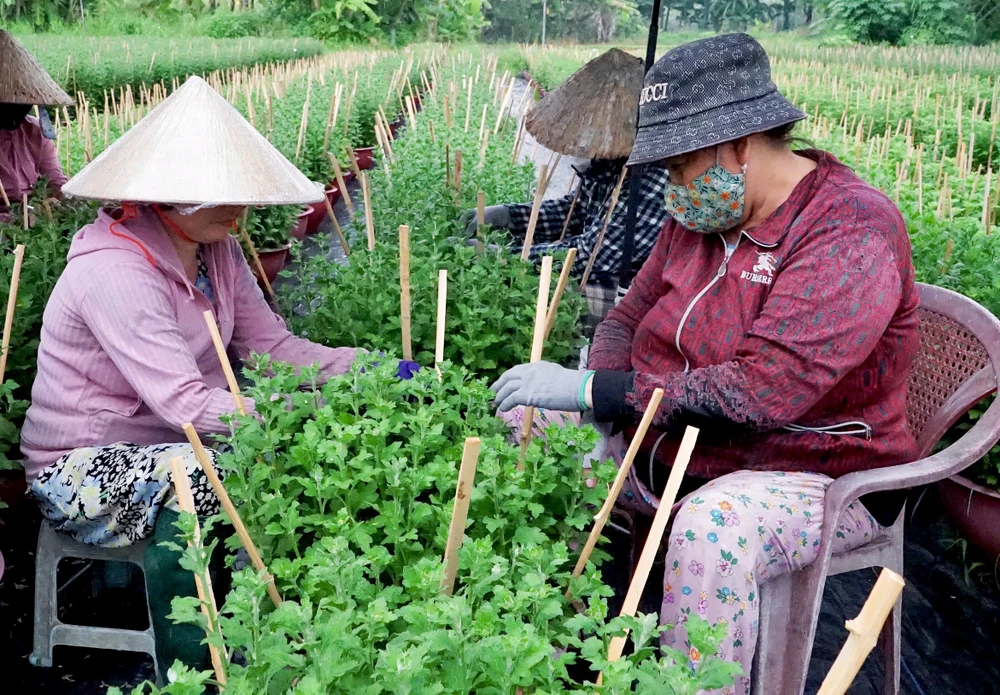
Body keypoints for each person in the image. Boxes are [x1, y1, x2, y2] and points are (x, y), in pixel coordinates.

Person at [490, 34, 919, 694]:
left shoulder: (850, 229)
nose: (671, 185)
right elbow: (628, 317)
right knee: (532, 422)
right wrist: (594, 396)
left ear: (740, 143)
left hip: (811, 468)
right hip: (679, 439)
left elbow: (758, 393)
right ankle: (553, 642)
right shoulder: (699, 216)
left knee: (710, 530)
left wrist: (599, 390)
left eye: (681, 163)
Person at [19, 75, 408, 672]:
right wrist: (294, 418)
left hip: (165, 443)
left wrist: (374, 372)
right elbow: (185, 405)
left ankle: (257, 615)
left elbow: (272, 349)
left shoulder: (215, 252)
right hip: (80, 466)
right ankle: (195, 659)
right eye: (223, 194)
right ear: (169, 196)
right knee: (208, 477)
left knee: (249, 463)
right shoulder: (115, 271)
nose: (241, 209)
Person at [460, 49, 670, 332]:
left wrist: (505, 257)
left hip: (638, 300)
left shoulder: (653, 177)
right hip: (602, 267)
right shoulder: (614, 159)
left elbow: (589, 256)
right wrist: (510, 216)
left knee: (539, 299)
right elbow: (578, 210)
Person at [0, 30, 72, 214]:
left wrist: (61, 203)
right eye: (9, 104)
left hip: (32, 221)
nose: (17, 111)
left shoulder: (34, 132)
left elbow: (56, 182)